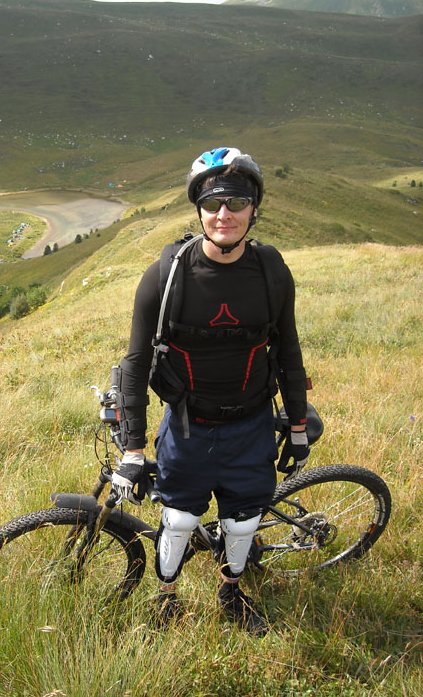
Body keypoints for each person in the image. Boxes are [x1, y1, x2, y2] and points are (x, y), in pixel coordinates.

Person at [111, 146, 309, 636]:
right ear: (198, 209)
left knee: (243, 524)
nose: (225, 214)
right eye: (213, 202)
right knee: (178, 520)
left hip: (251, 425)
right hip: (188, 427)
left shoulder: (271, 272)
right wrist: (133, 450)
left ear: (254, 209)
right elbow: (135, 364)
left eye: (237, 202)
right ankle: (166, 598)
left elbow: (288, 352)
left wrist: (298, 426)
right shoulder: (166, 275)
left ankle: (231, 594)